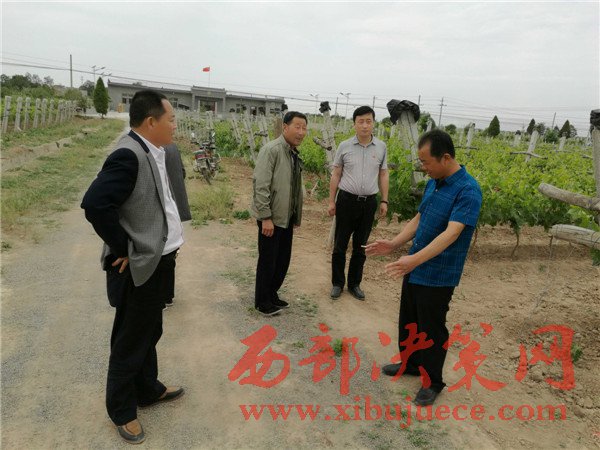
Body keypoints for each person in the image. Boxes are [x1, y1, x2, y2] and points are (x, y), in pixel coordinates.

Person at [81, 90, 187, 444]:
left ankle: (147, 389)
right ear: (151, 122)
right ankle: (122, 410)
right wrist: (121, 246)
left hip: (160, 260)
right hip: (142, 264)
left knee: (150, 330)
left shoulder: (153, 150)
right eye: (171, 119)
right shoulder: (128, 154)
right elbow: (95, 204)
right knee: (130, 338)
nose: (175, 125)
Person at [365, 129, 482, 407]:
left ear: (446, 158)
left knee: (431, 328)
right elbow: (419, 218)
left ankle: (432, 382)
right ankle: (410, 364)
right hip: (416, 265)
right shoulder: (434, 183)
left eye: (426, 162)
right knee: (409, 319)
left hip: (439, 273)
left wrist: (414, 260)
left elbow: (452, 233)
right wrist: (394, 244)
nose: (423, 168)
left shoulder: (468, 190)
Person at [328, 105, 389, 300]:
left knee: (361, 246)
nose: (364, 125)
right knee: (340, 244)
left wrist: (384, 200)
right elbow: (336, 174)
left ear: (373, 123)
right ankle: (337, 283)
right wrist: (331, 201)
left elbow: (383, 174)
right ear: (354, 124)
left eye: (368, 121)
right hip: (346, 201)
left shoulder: (381, 147)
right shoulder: (344, 146)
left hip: (368, 203)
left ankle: (354, 284)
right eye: (360, 121)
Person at [251, 111, 307, 316]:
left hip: (286, 216)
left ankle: (272, 294)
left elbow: (293, 187)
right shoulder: (272, 150)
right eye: (297, 127)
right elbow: (261, 185)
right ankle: (262, 302)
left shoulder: (292, 153)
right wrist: (265, 217)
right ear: (285, 127)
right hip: (271, 217)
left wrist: (296, 215)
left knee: (282, 260)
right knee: (268, 260)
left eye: (304, 128)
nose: (301, 132)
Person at [163, 143, 192, 309]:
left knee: (160, 253)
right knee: (171, 252)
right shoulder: (173, 147)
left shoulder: (151, 147)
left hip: (162, 209)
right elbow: (182, 172)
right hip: (174, 208)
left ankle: (162, 296)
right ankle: (168, 295)